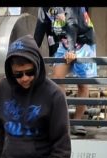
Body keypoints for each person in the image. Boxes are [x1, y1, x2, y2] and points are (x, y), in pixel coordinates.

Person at [34, 7, 97, 136]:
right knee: (57, 78)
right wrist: (32, 50)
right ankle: (63, 120)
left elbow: (72, 24)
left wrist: (72, 50)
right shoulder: (43, 9)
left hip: (83, 40)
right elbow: (40, 29)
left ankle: (77, 121)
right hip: (64, 42)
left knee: (82, 83)